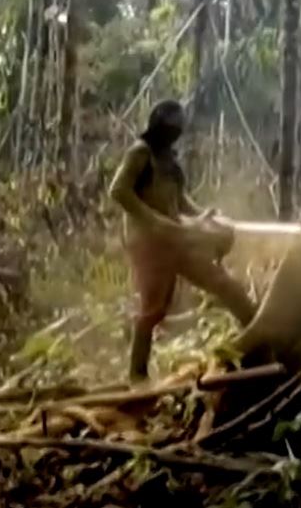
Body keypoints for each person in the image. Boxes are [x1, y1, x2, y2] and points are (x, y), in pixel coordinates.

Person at [109, 99, 258, 380]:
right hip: (148, 245)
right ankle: (137, 376)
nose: (176, 130)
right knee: (152, 311)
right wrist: (152, 219)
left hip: (177, 239)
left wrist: (205, 216)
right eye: (171, 126)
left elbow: (180, 202)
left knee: (224, 284)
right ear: (158, 125)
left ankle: (259, 338)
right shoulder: (140, 153)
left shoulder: (169, 160)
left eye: (179, 126)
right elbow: (118, 190)